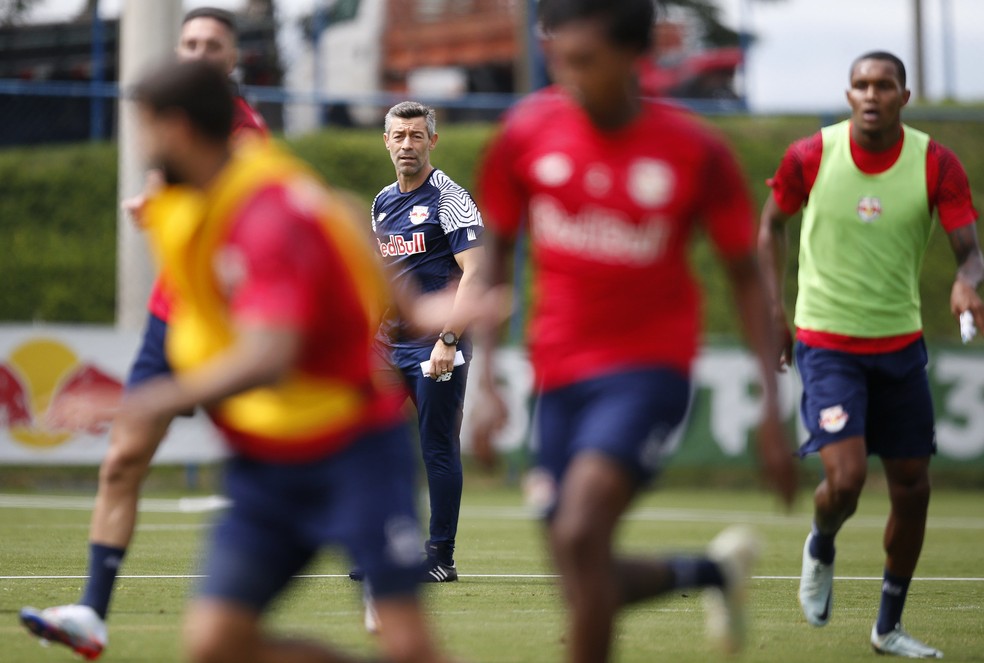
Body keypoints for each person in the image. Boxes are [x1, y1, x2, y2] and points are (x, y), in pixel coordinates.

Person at [30, 59, 454, 663]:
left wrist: (143, 399)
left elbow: (270, 352)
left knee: (409, 644)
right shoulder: (182, 197)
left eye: (146, 128)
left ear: (176, 129)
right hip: (265, 462)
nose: (141, 144)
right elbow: (344, 211)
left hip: (351, 446)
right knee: (215, 643)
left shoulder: (266, 210)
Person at [471, 1, 798, 662]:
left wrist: (772, 407)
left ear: (632, 58)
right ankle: (709, 573)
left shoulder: (695, 150)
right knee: (579, 568)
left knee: (582, 528)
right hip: (555, 375)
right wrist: (483, 376)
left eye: (585, 60)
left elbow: (742, 275)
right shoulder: (525, 133)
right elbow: (496, 252)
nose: (567, 74)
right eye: (559, 56)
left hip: (649, 370)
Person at [19, 8, 269, 660]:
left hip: (228, 333)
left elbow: (230, 217)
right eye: (188, 42)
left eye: (212, 44)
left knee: (288, 467)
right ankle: (91, 613)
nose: (198, 51)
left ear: (233, 58)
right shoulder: (172, 122)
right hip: (170, 322)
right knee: (122, 460)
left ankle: (375, 566)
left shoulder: (247, 138)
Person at [758, 51, 984, 659]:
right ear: (848, 93)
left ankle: (887, 627)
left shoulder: (935, 162)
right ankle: (821, 543)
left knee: (912, 487)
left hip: (900, 345)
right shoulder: (811, 156)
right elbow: (768, 226)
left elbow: (970, 249)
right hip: (827, 342)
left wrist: (968, 280)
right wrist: (776, 310)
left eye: (884, 85)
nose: (871, 94)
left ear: (903, 97)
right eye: (860, 84)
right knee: (848, 479)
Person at [356, 101, 484, 583]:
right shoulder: (382, 201)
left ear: (432, 141)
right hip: (388, 347)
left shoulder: (450, 199)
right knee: (372, 444)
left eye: (415, 136)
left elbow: (475, 274)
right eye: (398, 136)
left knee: (437, 447)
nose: (406, 144)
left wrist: (449, 339)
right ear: (386, 141)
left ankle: (440, 557)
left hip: (438, 347)